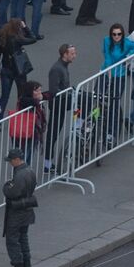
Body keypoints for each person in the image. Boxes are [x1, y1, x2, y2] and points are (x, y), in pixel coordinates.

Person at [100, 23, 134, 145]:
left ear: (122, 34)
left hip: (120, 76)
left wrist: (128, 56)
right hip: (106, 72)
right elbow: (107, 56)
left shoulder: (127, 42)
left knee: (114, 103)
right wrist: (108, 72)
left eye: (119, 34)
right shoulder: (107, 41)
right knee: (98, 97)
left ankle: (111, 133)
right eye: (114, 34)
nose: (116, 36)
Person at [1, 147, 38, 267]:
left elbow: (12, 192)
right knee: (23, 238)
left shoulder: (20, 175)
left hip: (17, 212)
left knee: (12, 240)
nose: (10, 163)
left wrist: (6, 186)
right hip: (27, 211)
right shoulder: (30, 171)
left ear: (17, 160)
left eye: (11, 160)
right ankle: (27, 266)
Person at [45, 44, 76, 173]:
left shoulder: (63, 66)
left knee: (54, 133)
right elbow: (54, 90)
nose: (75, 56)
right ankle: (47, 163)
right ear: (65, 54)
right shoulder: (57, 69)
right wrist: (69, 93)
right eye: (72, 53)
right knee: (53, 134)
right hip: (59, 104)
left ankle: (78, 123)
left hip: (62, 102)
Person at [0, 19, 36, 109]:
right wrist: (25, 27)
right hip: (19, 69)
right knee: (22, 95)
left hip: (6, 68)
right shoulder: (17, 39)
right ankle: (20, 116)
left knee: (4, 96)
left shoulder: (3, 37)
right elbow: (33, 38)